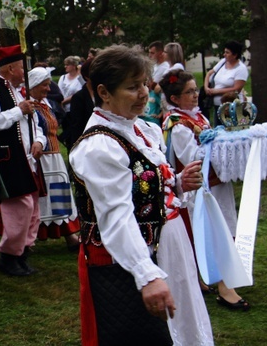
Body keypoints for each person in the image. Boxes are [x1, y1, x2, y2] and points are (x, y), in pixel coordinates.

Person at [69, 47, 211, 346]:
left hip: (169, 247)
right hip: (125, 259)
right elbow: (117, 217)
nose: (145, 93)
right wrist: (146, 275)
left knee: (181, 327)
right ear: (104, 92)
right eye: (133, 87)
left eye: (145, 83)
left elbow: (147, 188)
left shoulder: (144, 129)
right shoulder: (99, 147)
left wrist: (179, 183)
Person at [160, 69, 250, 312]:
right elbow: (191, 158)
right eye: (188, 92)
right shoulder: (177, 124)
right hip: (200, 189)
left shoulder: (198, 118)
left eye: (195, 89)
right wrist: (219, 144)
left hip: (216, 185)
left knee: (223, 228)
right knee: (215, 233)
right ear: (175, 99)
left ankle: (202, 278)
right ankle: (225, 286)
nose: (195, 95)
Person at [0, 45, 46, 277]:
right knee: (20, 207)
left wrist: (39, 141)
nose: (25, 72)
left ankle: (22, 254)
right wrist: (18, 111)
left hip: (29, 158)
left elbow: (35, 124)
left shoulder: (20, 91)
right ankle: (9, 257)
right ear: (10, 68)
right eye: (22, 67)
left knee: (33, 207)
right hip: (8, 158)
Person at [28, 67, 80, 251]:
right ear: (33, 86)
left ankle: (69, 234)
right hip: (40, 158)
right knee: (40, 197)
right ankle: (30, 238)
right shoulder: (28, 106)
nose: (48, 89)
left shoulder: (47, 104)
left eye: (48, 84)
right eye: (44, 85)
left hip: (54, 157)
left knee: (60, 194)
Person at [203, 41, 249, 127]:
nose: (224, 54)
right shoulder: (223, 62)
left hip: (231, 108)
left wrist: (216, 91)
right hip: (218, 106)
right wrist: (206, 87)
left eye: (227, 53)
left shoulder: (241, 69)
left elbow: (236, 89)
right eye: (224, 52)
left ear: (235, 55)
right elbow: (209, 74)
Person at [65, 58, 95, 151]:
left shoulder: (106, 94)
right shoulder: (79, 97)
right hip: (87, 143)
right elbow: (77, 127)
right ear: (87, 76)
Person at [145, 41, 170, 125]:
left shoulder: (165, 67)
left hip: (159, 104)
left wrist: (149, 81)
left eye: (152, 53)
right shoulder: (155, 66)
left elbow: (152, 86)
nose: (150, 55)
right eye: (149, 53)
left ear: (160, 53)